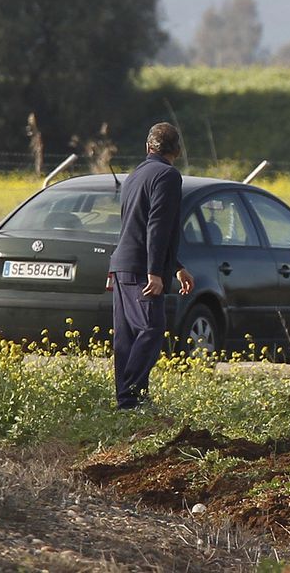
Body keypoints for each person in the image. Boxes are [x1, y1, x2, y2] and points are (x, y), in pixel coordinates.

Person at [109, 122, 195, 409]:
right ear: (178, 151)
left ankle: (133, 401)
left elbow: (140, 223)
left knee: (127, 336)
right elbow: (157, 226)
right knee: (151, 328)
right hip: (141, 268)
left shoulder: (135, 175)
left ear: (148, 147)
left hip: (124, 264)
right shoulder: (168, 176)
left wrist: (176, 267)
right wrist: (155, 272)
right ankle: (130, 397)